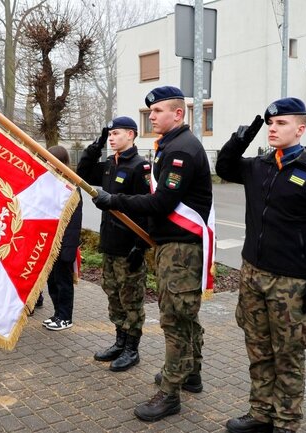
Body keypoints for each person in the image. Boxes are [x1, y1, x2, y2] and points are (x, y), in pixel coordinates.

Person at [216, 98, 306, 433]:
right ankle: (261, 413)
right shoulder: (259, 166)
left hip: (291, 283)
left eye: (281, 123)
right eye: (270, 124)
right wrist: (238, 140)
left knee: (288, 355)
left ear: (301, 128)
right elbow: (225, 169)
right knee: (258, 349)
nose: (273, 129)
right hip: (252, 274)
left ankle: (286, 422)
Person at [92, 86, 214, 422]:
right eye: (151, 112)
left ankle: (171, 393)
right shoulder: (171, 146)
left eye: (158, 111)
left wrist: (115, 201)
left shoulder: (181, 150)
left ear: (178, 113)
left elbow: (162, 203)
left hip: (181, 249)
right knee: (184, 315)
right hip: (173, 245)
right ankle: (190, 373)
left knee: (175, 319)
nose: (152, 116)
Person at [77, 116, 150, 372]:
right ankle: (120, 342)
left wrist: (140, 246)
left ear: (131, 135)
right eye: (109, 134)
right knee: (113, 295)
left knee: (131, 299)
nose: (111, 137)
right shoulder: (110, 164)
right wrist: (96, 145)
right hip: (110, 243)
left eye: (116, 133)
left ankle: (132, 349)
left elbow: (147, 209)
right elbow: (83, 172)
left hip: (129, 247)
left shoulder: (140, 167)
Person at [43, 145, 83, 331]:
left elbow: (74, 222)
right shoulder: (49, 183)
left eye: (50, 160)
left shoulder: (71, 186)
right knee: (52, 281)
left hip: (64, 244)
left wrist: (69, 247)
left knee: (63, 282)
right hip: (50, 243)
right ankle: (57, 314)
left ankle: (66, 317)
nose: (47, 163)